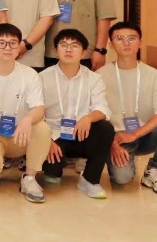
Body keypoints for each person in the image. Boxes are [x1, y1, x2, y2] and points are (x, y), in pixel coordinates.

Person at [101, 21, 157, 196]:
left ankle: (154, 170)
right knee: (122, 179)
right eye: (119, 38)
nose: (126, 43)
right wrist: (110, 143)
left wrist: (134, 134)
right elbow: (96, 117)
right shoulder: (99, 75)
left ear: (140, 43)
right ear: (110, 44)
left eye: (132, 38)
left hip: (146, 134)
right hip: (117, 139)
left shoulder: (153, 75)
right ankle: (126, 162)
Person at [0, 23, 50, 203]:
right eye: (1, 43)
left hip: (20, 135)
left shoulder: (30, 74)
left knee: (42, 128)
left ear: (19, 46)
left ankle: (29, 178)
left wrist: (27, 120)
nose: (7, 48)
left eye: (13, 43)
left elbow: (39, 108)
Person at [39, 29, 114, 199]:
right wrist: (46, 140)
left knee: (105, 128)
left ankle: (90, 180)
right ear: (56, 50)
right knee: (51, 176)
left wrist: (88, 117)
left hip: (81, 133)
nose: (68, 49)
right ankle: (53, 169)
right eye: (63, 45)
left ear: (84, 52)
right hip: (54, 136)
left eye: (74, 46)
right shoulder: (42, 78)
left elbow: (102, 108)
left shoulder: (93, 78)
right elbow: (36, 112)